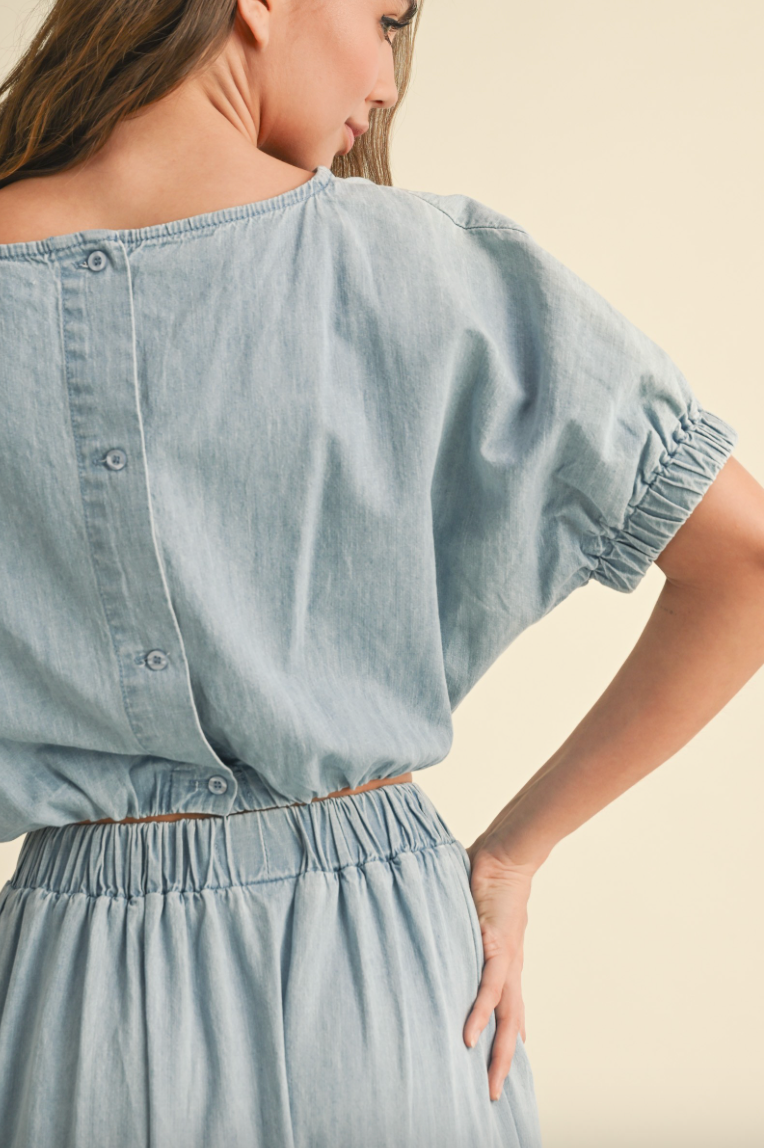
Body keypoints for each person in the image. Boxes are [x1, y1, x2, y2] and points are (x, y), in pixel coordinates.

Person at [0, 0, 761, 1145]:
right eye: (385, 17)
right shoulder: (423, 263)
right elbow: (744, 557)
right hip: (384, 972)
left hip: (79, 996)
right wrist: (510, 853)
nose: (387, 77)